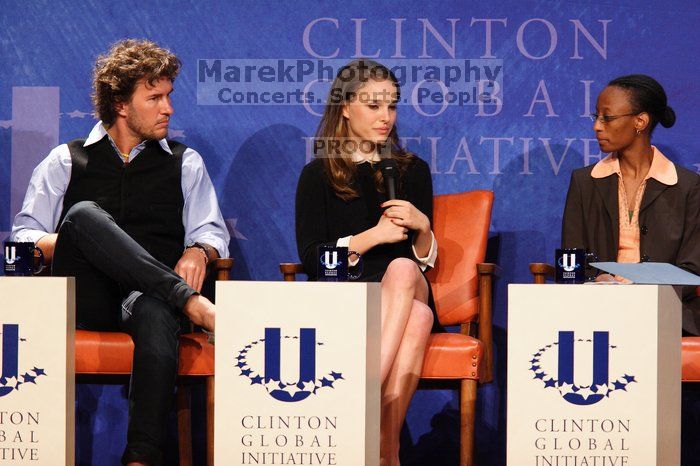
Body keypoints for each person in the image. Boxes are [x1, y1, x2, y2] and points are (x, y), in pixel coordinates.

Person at [10, 39, 229, 465]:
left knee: (158, 312)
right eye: (154, 98)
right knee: (82, 215)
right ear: (121, 104)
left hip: (149, 299)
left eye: (169, 96)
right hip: (86, 297)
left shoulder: (186, 163)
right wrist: (72, 240)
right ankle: (194, 304)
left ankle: (140, 458)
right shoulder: (66, 160)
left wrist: (200, 251)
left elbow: (211, 232)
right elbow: (22, 239)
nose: (168, 108)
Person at [295, 59, 437, 466]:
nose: (385, 117)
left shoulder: (412, 170)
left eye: (391, 106)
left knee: (404, 269)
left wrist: (423, 227)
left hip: (405, 279)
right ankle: (386, 450)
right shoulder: (317, 175)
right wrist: (371, 236)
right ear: (345, 107)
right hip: (349, 295)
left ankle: (362, 391)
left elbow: (424, 261)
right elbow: (312, 260)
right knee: (420, 318)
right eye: (374, 106)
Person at [562, 74, 700, 332]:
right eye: (596, 117)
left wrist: (643, 293)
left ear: (640, 121)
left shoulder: (687, 186)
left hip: (667, 313)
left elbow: (692, 269)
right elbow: (570, 263)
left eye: (607, 117)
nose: (597, 126)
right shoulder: (584, 182)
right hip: (597, 309)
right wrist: (596, 279)